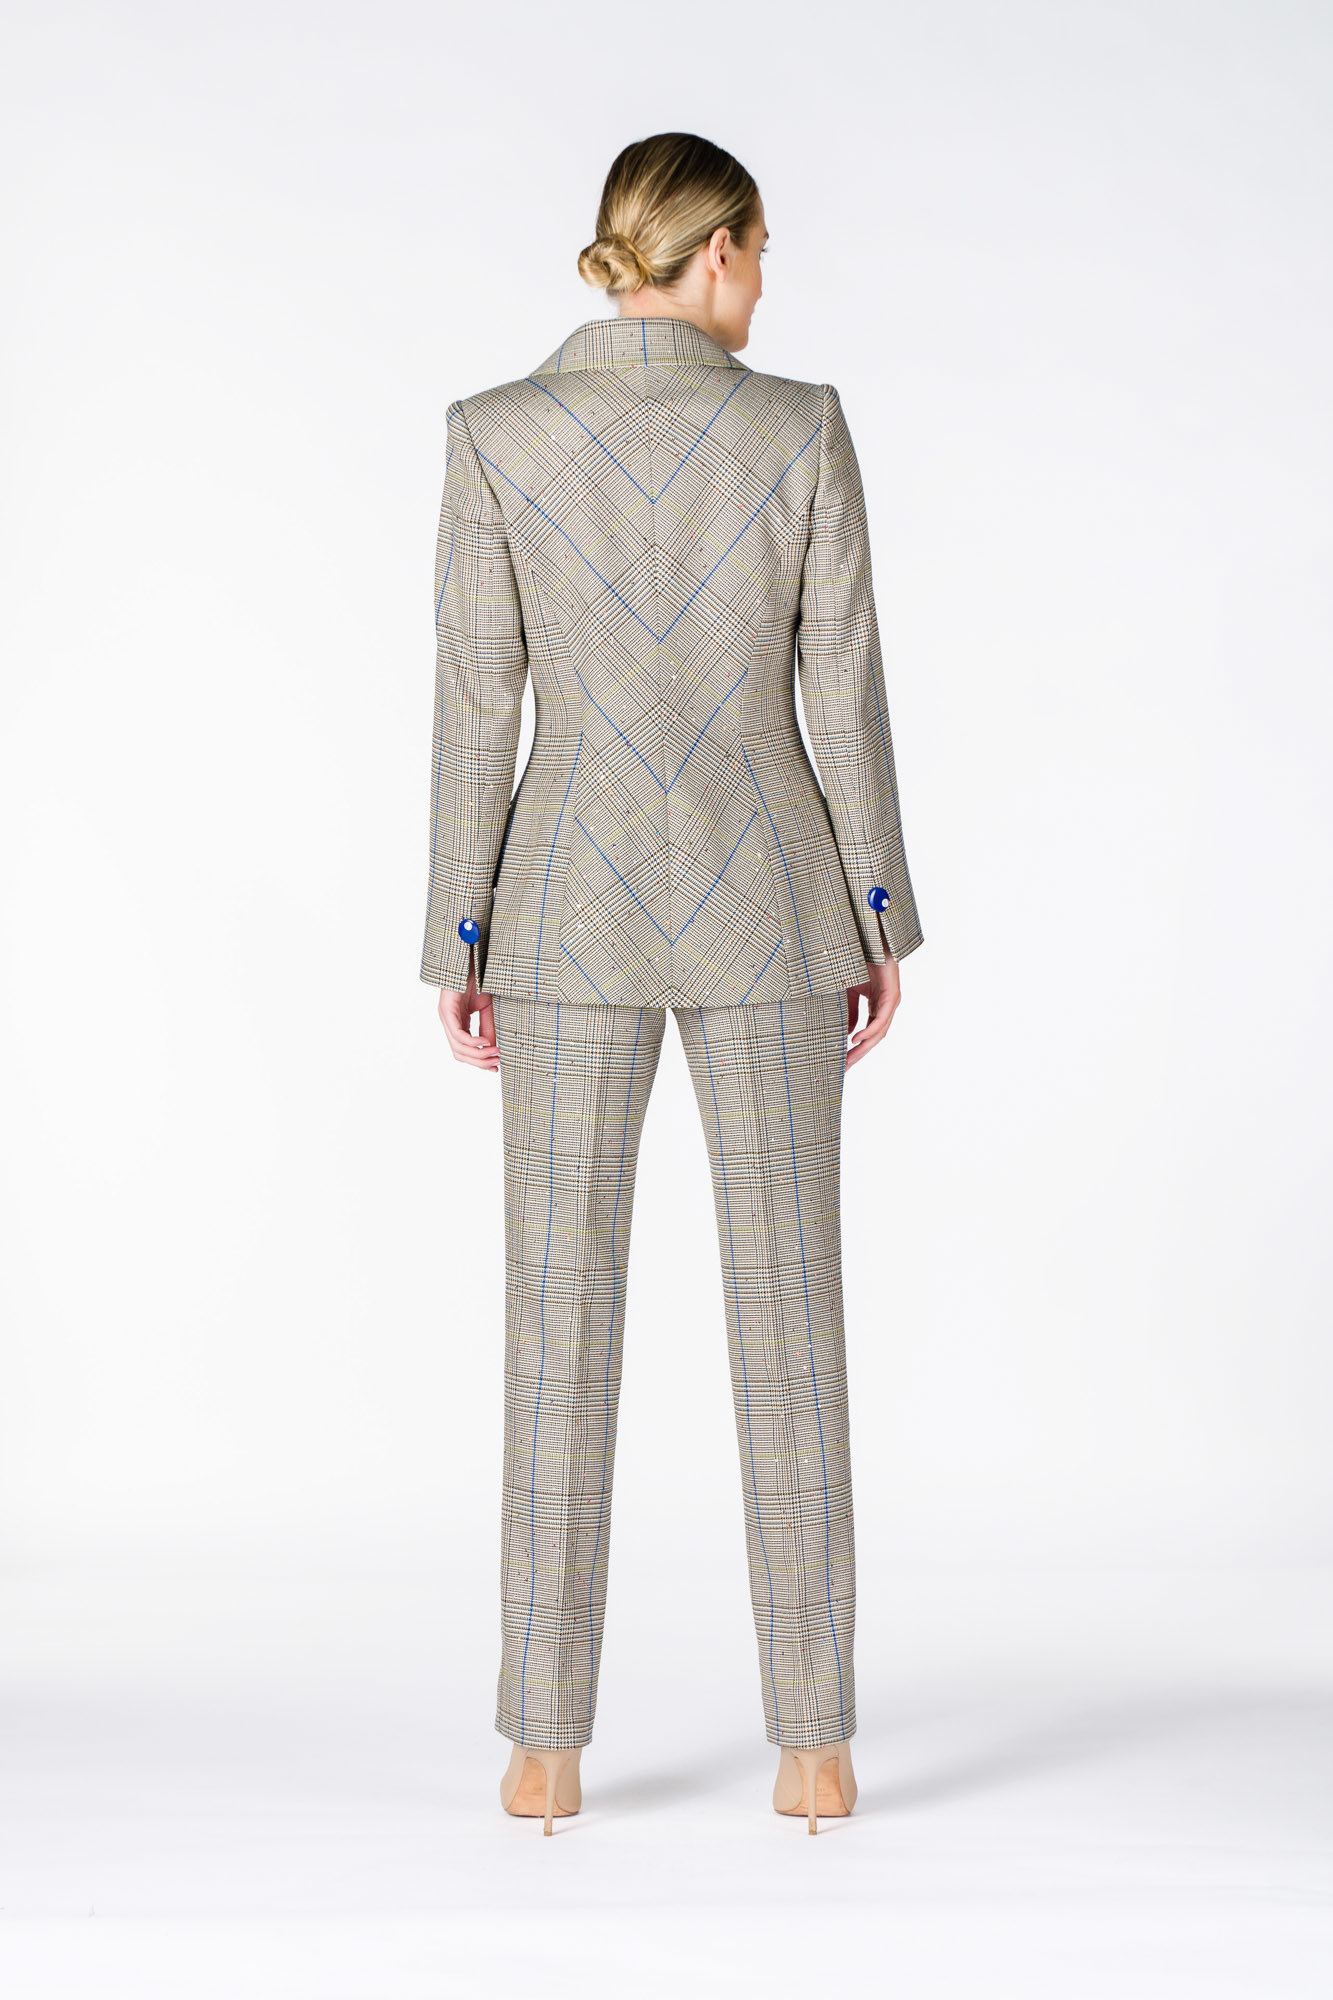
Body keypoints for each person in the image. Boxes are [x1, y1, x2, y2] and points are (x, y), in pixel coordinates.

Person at [419, 132, 924, 1836]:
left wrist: (462, 935)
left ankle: (542, 1747)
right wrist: (877, 913)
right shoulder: (798, 428)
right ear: (711, 254)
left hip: (561, 903)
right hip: (770, 900)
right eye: (758, 253)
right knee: (792, 1315)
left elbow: (477, 701)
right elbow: (839, 689)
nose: (764, 285)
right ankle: (815, 1746)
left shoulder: (495, 434)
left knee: (553, 1319)